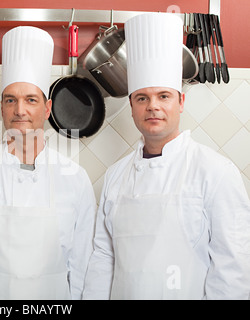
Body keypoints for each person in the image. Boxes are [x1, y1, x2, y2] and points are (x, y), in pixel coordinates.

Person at [82, 13, 250, 300]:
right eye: (142, 98)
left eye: (164, 96)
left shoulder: (217, 172)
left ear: (181, 101)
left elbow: (232, 270)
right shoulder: (115, 176)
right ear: (132, 106)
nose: (153, 107)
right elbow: (102, 258)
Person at [0, 26, 97, 300]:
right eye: (11, 100)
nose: (19, 110)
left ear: (47, 109)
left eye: (30, 100)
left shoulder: (75, 178)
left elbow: (82, 265)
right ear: (2, 107)